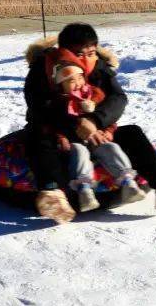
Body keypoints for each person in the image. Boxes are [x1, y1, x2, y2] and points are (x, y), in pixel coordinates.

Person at [23, 23, 156, 223]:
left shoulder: (99, 67)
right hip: (57, 130)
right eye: (78, 54)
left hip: (96, 130)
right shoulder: (43, 68)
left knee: (132, 133)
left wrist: (95, 121)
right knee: (36, 138)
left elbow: (118, 98)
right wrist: (75, 125)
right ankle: (53, 192)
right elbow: (39, 105)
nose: (86, 60)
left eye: (91, 53)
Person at [50, 62, 144, 212]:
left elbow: (108, 118)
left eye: (80, 78)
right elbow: (56, 123)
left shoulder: (94, 96)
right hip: (75, 140)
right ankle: (85, 190)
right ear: (61, 85)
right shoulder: (59, 103)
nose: (77, 83)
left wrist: (108, 131)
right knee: (80, 153)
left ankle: (127, 182)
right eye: (71, 81)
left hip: (97, 138)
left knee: (111, 148)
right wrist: (61, 138)